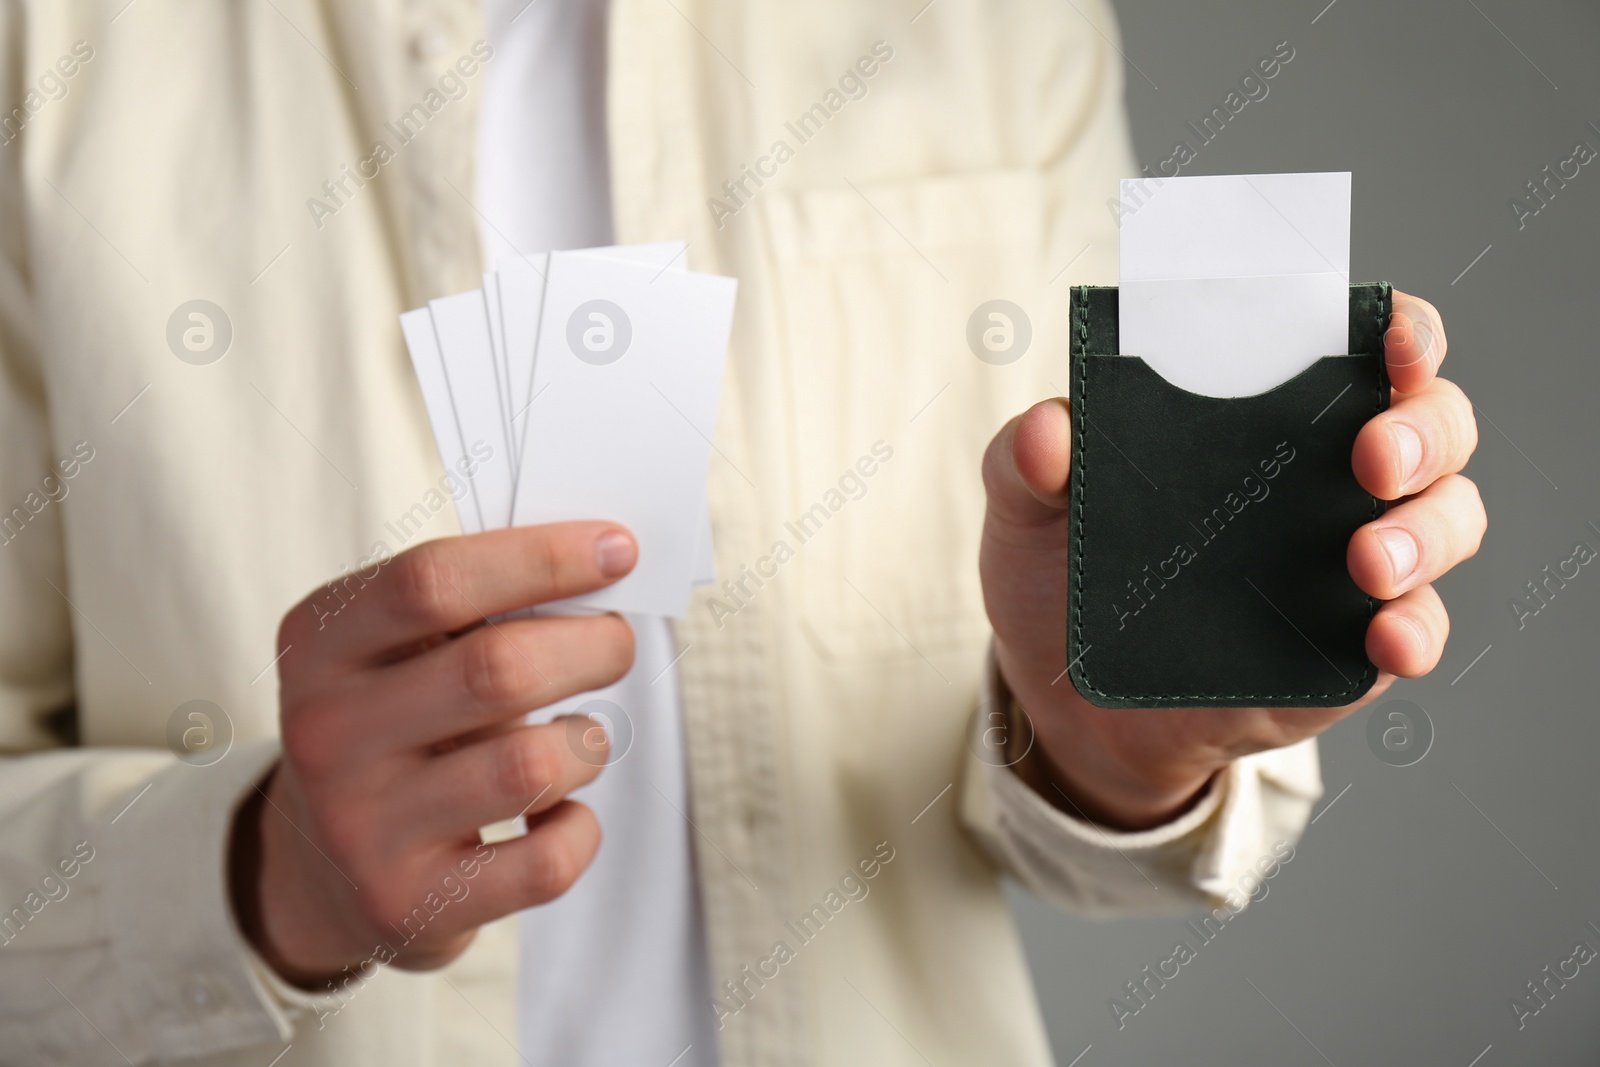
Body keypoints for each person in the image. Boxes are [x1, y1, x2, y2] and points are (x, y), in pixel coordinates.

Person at [0, 0, 1483, 1064]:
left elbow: (1112, 776)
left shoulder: (1003, 27)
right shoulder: (50, 50)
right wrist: (267, 874)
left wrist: (1112, 737)